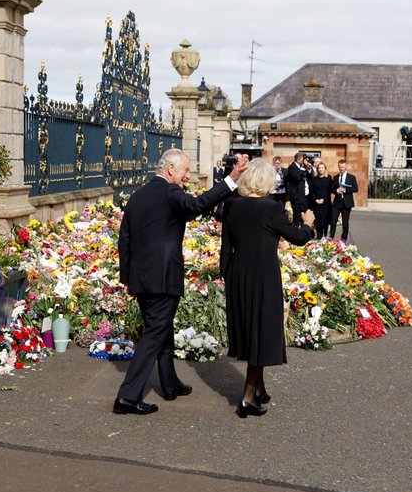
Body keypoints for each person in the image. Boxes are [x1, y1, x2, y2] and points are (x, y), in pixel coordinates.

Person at [114, 148, 248, 415]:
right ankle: (127, 396)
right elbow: (197, 205)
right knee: (154, 333)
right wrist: (231, 179)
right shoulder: (170, 192)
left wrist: (127, 277)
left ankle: (170, 384)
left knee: (160, 330)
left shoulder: (138, 195)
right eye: (186, 170)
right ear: (171, 169)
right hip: (163, 278)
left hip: (142, 277)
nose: (188, 176)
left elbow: (124, 238)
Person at [221, 158, 315, 418]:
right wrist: (307, 222)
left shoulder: (232, 205)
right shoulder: (271, 207)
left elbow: (225, 247)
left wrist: (227, 276)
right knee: (261, 332)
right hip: (263, 275)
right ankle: (247, 397)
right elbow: (297, 238)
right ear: (266, 181)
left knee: (250, 328)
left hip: (238, 273)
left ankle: (259, 388)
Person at [330, 159, 358, 241]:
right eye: (340, 167)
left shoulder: (351, 177)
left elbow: (355, 188)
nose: (341, 168)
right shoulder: (335, 177)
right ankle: (331, 238)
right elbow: (332, 189)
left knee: (345, 222)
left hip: (347, 203)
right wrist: (337, 191)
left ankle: (343, 239)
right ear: (338, 167)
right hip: (337, 203)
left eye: (343, 167)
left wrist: (345, 190)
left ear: (346, 166)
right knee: (333, 221)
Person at [285, 152, 310, 227]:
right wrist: (303, 169)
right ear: (299, 159)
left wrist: (306, 168)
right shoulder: (292, 167)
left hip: (303, 197)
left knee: (303, 217)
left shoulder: (300, 167)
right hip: (296, 197)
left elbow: (308, 177)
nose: (304, 161)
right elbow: (297, 178)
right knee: (296, 218)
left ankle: (303, 234)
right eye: (303, 159)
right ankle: (295, 235)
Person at [311, 161, 333, 238]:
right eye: (319, 168)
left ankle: (325, 237)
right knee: (318, 222)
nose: (321, 169)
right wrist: (316, 200)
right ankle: (319, 237)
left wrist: (324, 199)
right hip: (316, 204)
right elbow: (312, 191)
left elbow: (330, 190)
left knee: (325, 221)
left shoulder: (328, 178)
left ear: (325, 169)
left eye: (322, 168)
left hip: (326, 203)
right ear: (317, 169)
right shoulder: (314, 178)